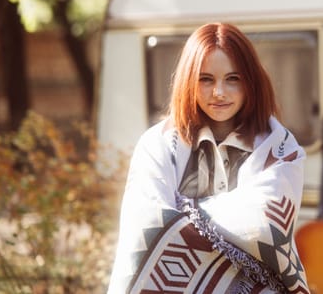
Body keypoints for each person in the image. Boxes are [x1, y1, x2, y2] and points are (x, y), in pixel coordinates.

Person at [107, 22, 310, 293]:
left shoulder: (280, 148)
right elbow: (145, 226)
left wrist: (184, 211)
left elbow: (264, 225)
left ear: (251, 82)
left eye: (233, 79)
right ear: (188, 82)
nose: (219, 92)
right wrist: (227, 220)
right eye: (206, 79)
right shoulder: (156, 145)